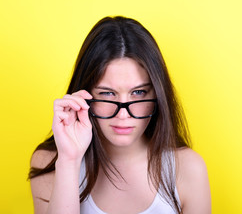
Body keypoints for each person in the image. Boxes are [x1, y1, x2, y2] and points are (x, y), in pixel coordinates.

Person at [29, 16, 211, 214]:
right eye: (107, 93)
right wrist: (69, 160)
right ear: (85, 95)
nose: (123, 114)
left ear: (158, 95)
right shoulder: (51, 163)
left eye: (139, 92)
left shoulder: (188, 168)